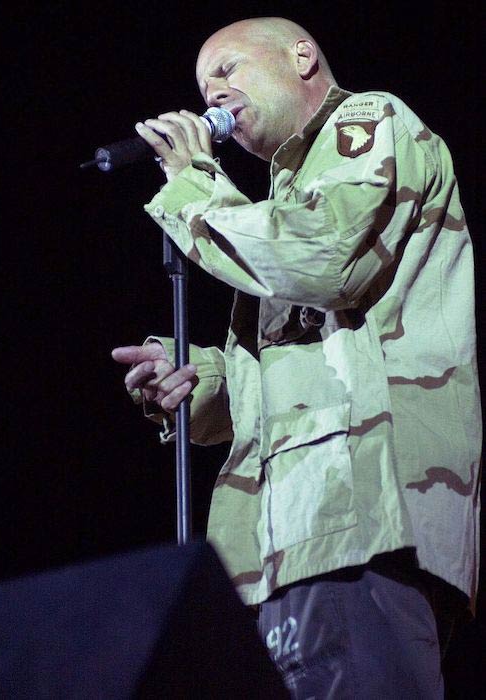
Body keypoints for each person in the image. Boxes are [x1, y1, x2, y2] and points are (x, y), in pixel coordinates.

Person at [112, 17, 481, 698]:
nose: (211, 94)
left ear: (302, 56)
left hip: (363, 526)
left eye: (228, 68)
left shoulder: (371, 120)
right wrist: (199, 380)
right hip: (276, 547)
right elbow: (285, 370)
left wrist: (193, 182)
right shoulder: (280, 206)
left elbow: (327, 262)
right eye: (200, 84)